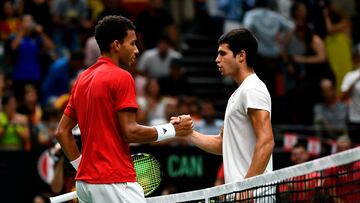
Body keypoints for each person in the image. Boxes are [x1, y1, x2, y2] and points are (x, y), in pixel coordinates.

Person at [55, 15, 193, 203]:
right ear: (116, 45)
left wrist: (82, 167)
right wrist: (172, 130)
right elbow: (130, 132)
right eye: (133, 43)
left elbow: (62, 132)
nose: (137, 50)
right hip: (114, 181)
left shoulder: (82, 79)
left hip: (86, 184)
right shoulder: (122, 77)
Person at [175, 28, 274, 200]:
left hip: (254, 196)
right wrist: (189, 134)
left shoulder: (253, 89)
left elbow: (266, 141)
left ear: (241, 56)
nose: (217, 59)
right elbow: (224, 144)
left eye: (223, 54)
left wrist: (246, 188)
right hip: (241, 194)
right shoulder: (238, 94)